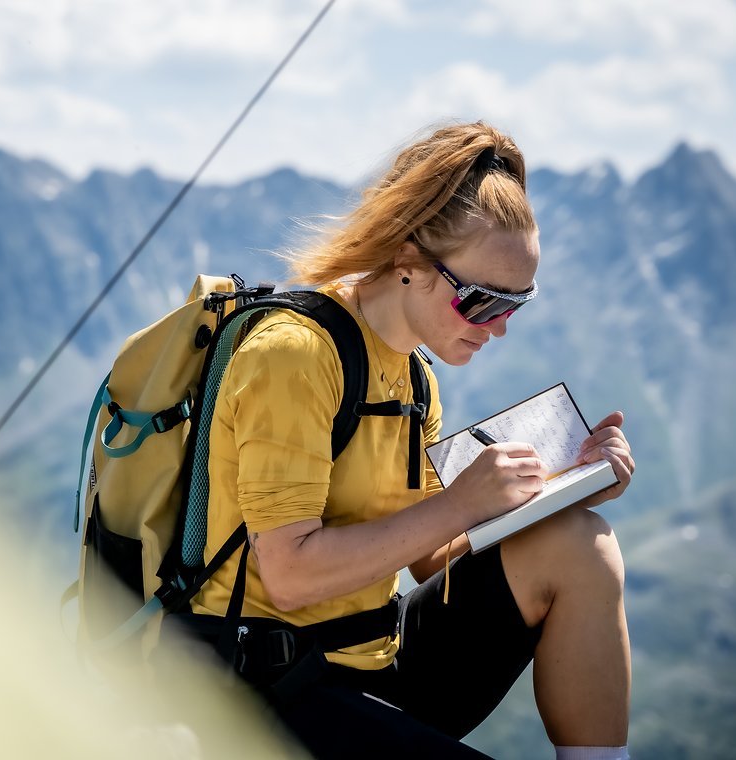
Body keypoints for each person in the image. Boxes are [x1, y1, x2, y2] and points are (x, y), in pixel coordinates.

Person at [186, 122, 635, 759]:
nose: (500, 328)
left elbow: (427, 558)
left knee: (582, 543)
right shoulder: (294, 356)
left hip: (373, 661)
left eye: (518, 303)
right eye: (482, 302)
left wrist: (562, 490)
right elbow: (287, 575)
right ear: (409, 262)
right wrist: (462, 502)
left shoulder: (412, 374)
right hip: (266, 681)